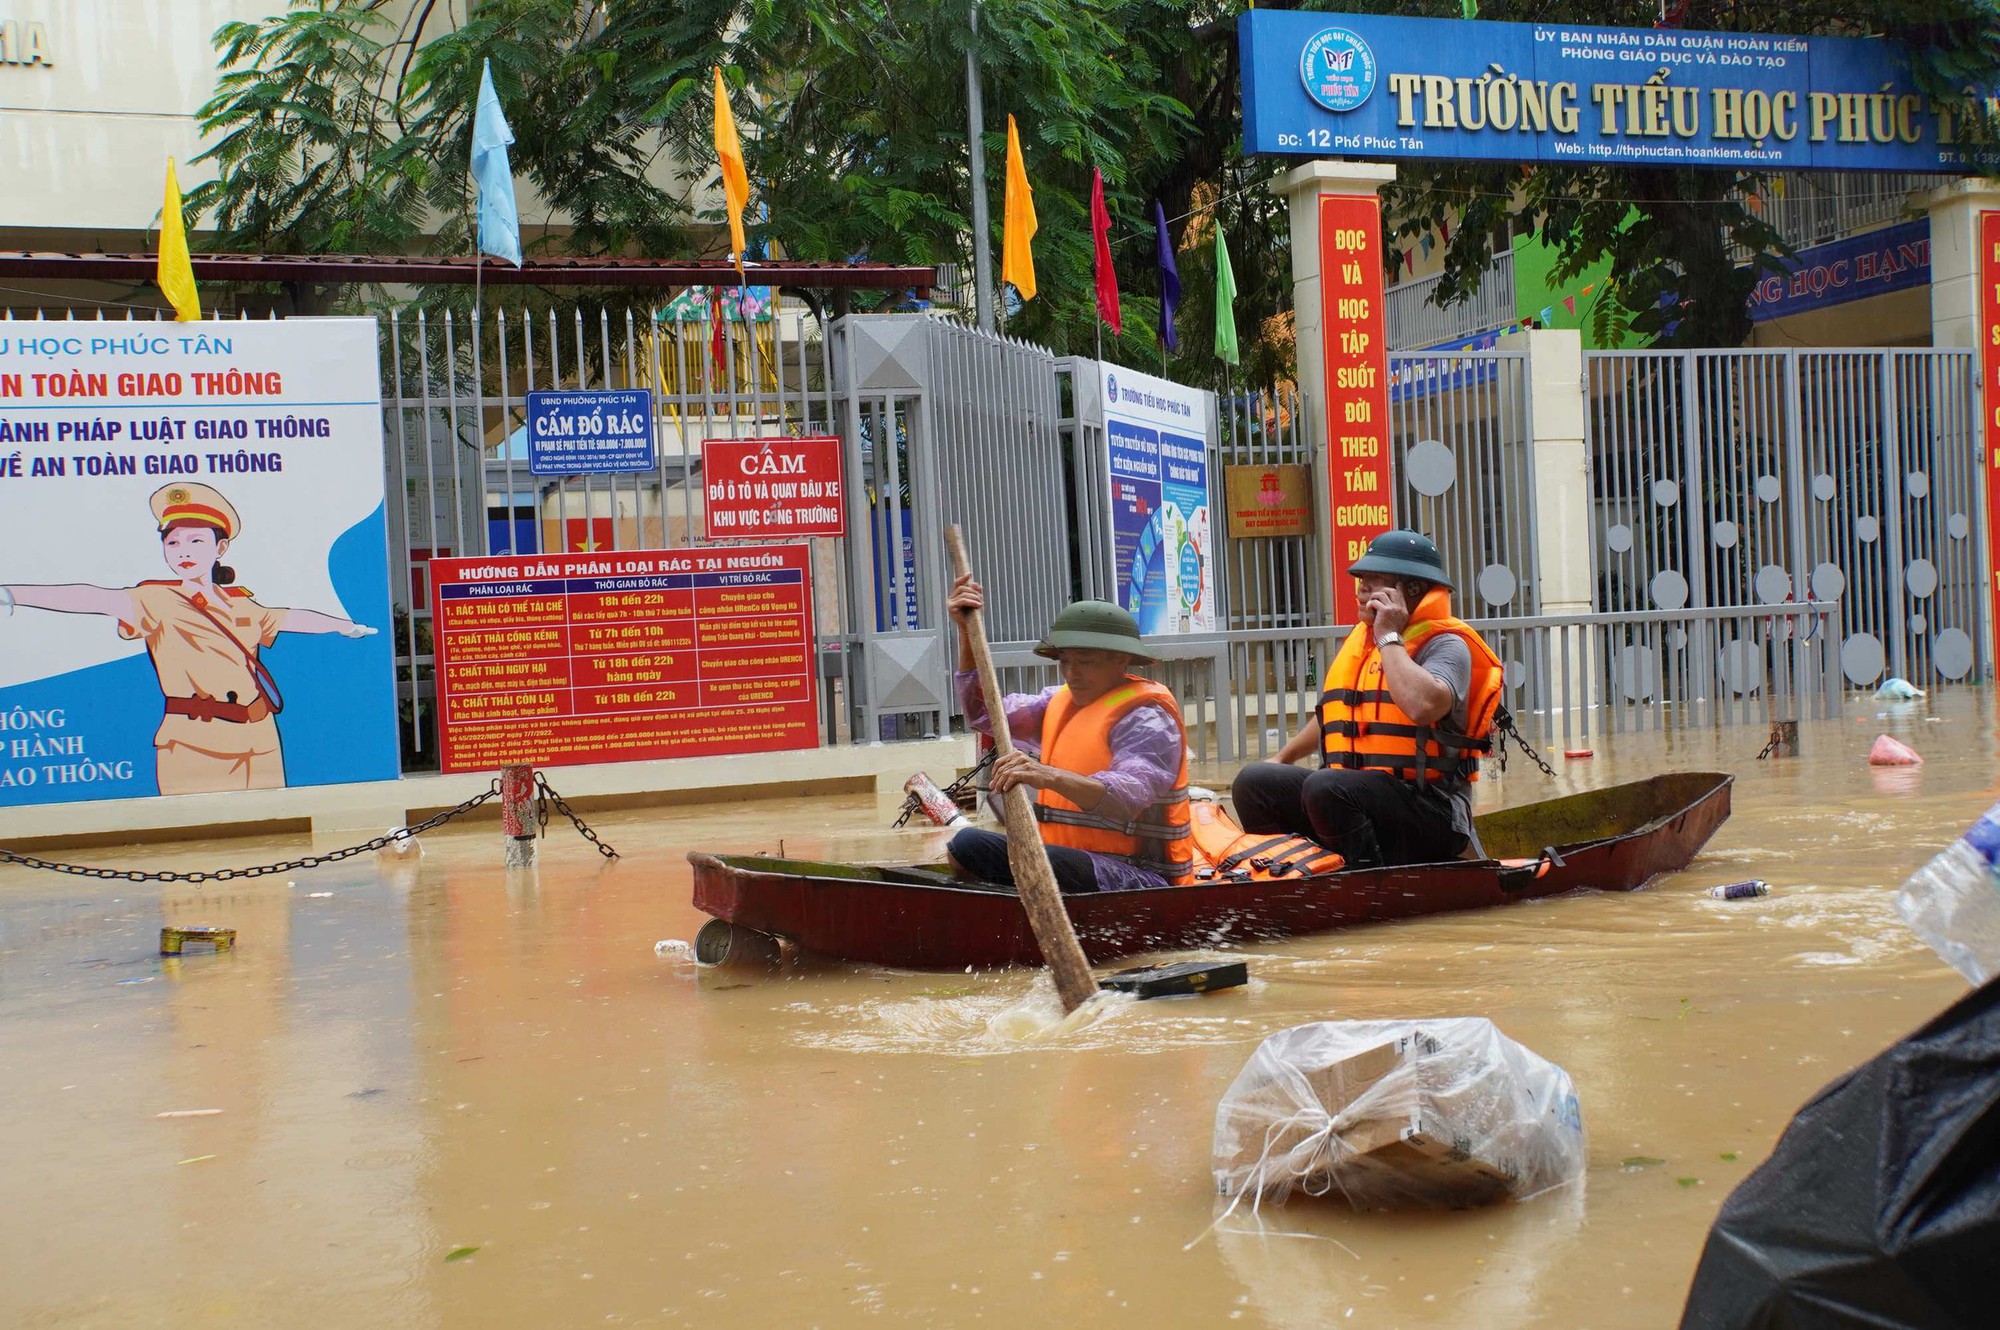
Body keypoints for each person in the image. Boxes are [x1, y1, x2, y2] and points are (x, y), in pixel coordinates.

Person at [1, 483, 376, 795]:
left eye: (195, 541)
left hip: (260, 740)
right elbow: (93, 597)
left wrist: (342, 625)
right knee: (198, 850)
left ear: (220, 548)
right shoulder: (155, 599)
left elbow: (290, 618)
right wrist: (14, 593)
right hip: (194, 744)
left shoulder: (241, 603)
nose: (183, 553)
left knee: (271, 845)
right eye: (173, 543)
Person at [1231, 530, 1502, 869]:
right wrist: (1283, 758)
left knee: (1325, 786)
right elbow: (1340, 715)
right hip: (1350, 795)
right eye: (1361, 580)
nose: (1361, 590)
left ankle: (1366, 880)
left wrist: (1389, 636)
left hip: (1431, 810)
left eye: (1374, 582)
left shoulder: (1447, 645)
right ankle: (1288, 873)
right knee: (1254, 782)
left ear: (1413, 589)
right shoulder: (1363, 643)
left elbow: (1423, 706)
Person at [944, 575, 1193, 893]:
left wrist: (1046, 775)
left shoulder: (1147, 719)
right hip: (1074, 860)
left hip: (1138, 875)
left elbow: (1126, 796)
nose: (1072, 674)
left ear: (1121, 660)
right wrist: (966, 631)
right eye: (1065, 662)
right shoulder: (1058, 702)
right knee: (961, 849)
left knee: (971, 845)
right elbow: (984, 714)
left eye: (1085, 662)